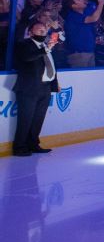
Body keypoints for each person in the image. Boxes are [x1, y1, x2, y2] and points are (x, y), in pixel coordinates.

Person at [11, 21, 60, 156]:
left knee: (38, 118)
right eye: (39, 30)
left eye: (44, 30)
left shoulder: (46, 46)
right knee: (25, 119)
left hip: (45, 87)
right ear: (30, 32)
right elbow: (27, 57)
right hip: (29, 88)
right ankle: (19, 147)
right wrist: (46, 49)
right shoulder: (24, 45)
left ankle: (33, 144)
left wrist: (54, 84)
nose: (42, 32)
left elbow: (51, 66)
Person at [62, 0, 104, 67]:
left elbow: (95, 20)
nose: (82, 0)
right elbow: (94, 18)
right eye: (78, 0)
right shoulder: (72, 16)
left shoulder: (84, 14)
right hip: (78, 54)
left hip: (89, 51)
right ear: (74, 5)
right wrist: (101, 4)